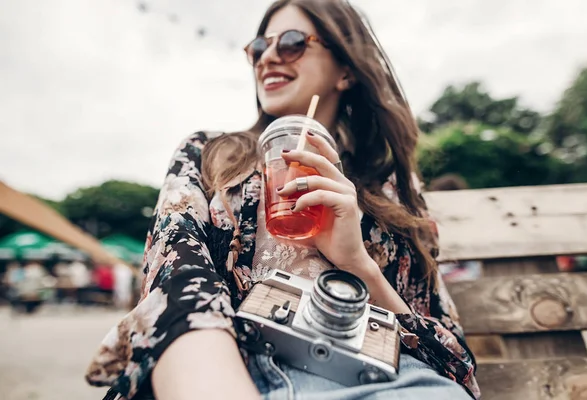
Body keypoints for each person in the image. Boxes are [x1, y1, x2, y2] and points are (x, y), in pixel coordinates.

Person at [86, 1, 480, 399]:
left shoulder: (392, 185)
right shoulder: (207, 151)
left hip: (383, 375)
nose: (268, 57)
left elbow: (452, 358)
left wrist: (357, 262)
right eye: (259, 46)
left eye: (292, 43)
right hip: (232, 361)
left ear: (345, 69)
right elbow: (175, 282)